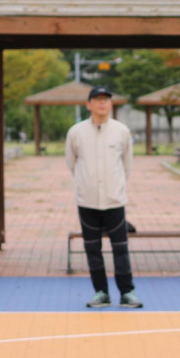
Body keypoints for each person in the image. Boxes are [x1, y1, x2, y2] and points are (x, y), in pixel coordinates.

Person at [65, 85, 142, 309]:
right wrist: (85, 184)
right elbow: (72, 163)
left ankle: (127, 292)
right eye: (97, 99)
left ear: (110, 104)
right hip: (86, 201)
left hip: (114, 201)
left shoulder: (121, 131)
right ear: (88, 104)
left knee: (120, 249)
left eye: (106, 99)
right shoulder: (76, 132)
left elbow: (126, 165)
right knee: (93, 249)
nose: (102, 103)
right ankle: (101, 292)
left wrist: (115, 187)